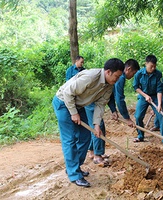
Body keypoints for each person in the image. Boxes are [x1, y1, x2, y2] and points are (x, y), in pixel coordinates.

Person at [52, 58, 124, 187]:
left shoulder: (109, 86)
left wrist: (96, 125)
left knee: (85, 136)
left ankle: (74, 167)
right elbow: (68, 92)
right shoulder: (90, 77)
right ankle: (74, 174)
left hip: (79, 105)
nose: (117, 79)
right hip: (63, 102)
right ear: (108, 72)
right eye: (117, 76)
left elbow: (100, 105)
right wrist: (73, 113)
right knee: (70, 139)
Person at [87, 59, 140, 165]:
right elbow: (119, 98)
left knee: (98, 126)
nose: (133, 76)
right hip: (91, 101)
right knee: (98, 126)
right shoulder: (120, 78)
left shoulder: (116, 77)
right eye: (133, 73)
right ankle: (97, 155)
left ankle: (93, 152)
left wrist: (113, 110)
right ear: (128, 69)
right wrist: (127, 118)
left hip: (96, 100)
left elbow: (110, 94)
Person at [133, 55, 163, 146]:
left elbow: (159, 90)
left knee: (161, 115)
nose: (153, 68)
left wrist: (159, 104)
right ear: (146, 64)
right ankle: (140, 136)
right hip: (143, 96)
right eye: (151, 66)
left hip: (155, 97)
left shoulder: (158, 74)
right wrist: (145, 96)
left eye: (155, 66)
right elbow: (136, 87)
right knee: (138, 116)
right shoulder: (139, 74)